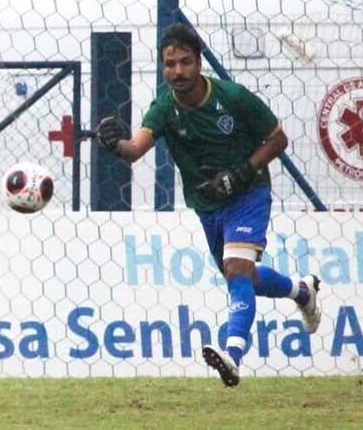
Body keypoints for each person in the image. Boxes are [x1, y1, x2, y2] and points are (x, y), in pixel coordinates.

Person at [96, 23, 321, 387]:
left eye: (185, 62)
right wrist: (112, 144)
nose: (178, 72)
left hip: (249, 194)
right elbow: (135, 149)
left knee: (236, 268)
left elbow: (278, 139)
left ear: (199, 63)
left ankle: (233, 354)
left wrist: (243, 171)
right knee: (243, 276)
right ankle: (301, 291)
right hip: (207, 204)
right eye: (170, 64)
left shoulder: (232, 97)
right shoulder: (164, 107)